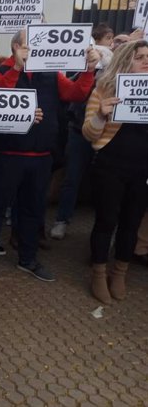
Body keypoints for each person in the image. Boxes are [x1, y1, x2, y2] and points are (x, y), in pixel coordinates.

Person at [0, 29, 100, 284]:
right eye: (30, 45)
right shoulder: (0, 70)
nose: (36, 50)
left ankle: (28, 258)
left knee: (33, 210)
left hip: (41, 155)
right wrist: (16, 69)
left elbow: (75, 93)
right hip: (7, 154)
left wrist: (88, 70)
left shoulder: (51, 73)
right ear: (16, 47)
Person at [82, 40, 148, 304]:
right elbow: (89, 133)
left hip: (141, 169)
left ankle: (119, 272)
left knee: (131, 224)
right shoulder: (104, 89)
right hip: (110, 165)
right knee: (106, 221)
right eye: (140, 56)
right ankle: (98, 273)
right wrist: (100, 114)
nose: (146, 61)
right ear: (125, 60)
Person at [50, 23, 114, 240]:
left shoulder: (114, 67)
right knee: (72, 177)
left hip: (108, 135)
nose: (110, 44)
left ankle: (102, 231)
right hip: (79, 129)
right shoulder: (80, 63)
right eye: (108, 39)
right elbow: (73, 91)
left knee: (107, 184)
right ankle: (62, 220)